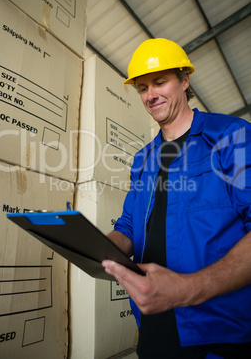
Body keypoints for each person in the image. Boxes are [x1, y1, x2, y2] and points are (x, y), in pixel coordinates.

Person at [102, 38, 251, 359]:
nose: (150, 94)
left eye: (159, 82)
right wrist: (97, 247)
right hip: (153, 324)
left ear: (185, 80)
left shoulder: (230, 136)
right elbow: (128, 226)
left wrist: (186, 289)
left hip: (221, 331)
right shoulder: (143, 159)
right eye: (142, 88)